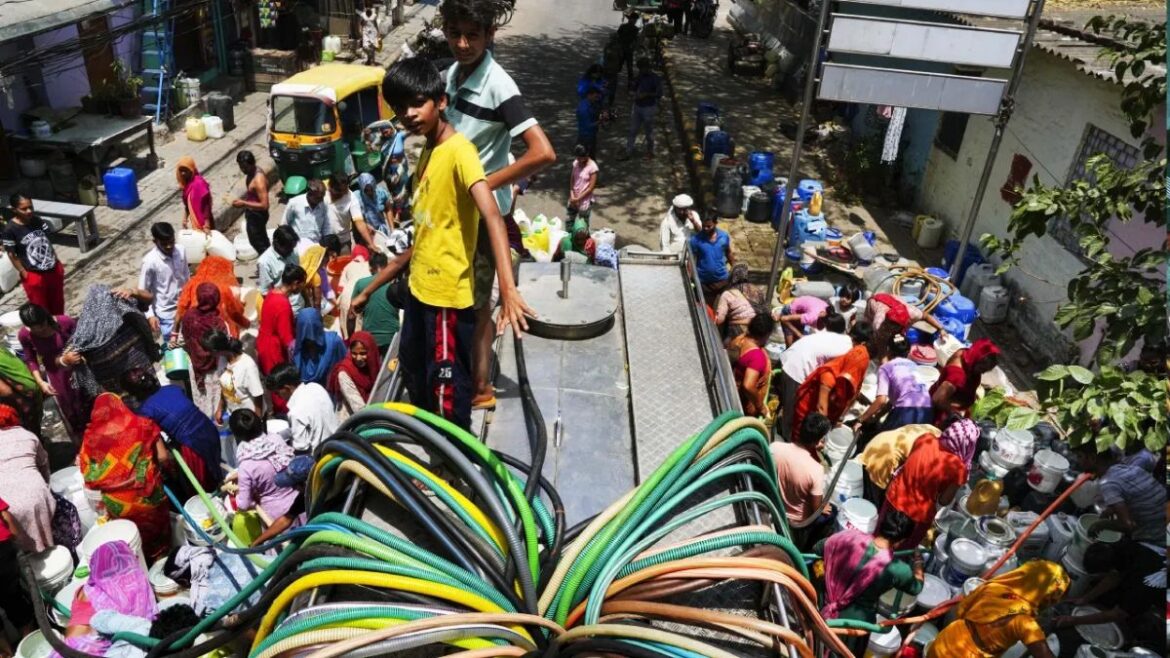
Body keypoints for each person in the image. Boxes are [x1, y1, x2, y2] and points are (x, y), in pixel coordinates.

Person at [380, 56, 534, 430]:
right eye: (402, 108)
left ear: (442, 102)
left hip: (447, 298)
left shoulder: (460, 151)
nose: (410, 114)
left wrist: (508, 288)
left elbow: (492, 216)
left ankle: (454, 466)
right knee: (415, 370)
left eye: (418, 103)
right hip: (421, 291)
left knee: (450, 392)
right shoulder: (428, 151)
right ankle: (431, 438)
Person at [439, 0, 556, 413]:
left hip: (484, 212)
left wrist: (485, 183)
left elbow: (542, 151)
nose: (463, 43)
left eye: (472, 34)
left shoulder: (498, 85)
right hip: (454, 212)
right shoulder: (453, 75)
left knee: (478, 302)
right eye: (455, 34)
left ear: (490, 34)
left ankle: (482, 385)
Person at [816, 509, 925, 656]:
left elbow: (819, 547)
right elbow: (916, 587)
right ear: (901, 541)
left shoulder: (849, 537)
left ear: (880, 525)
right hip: (854, 627)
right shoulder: (898, 569)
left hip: (820, 606)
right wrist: (918, 563)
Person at [80, 393, 171, 559]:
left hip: (117, 503)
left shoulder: (90, 439)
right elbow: (163, 457)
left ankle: (140, 565)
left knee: (131, 538)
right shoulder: (143, 425)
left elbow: (88, 474)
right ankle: (163, 560)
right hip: (147, 495)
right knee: (157, 532)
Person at [927, 561, 1068, 658]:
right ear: (1046, 595)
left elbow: (962, 610)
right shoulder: (1024, 622)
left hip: (947, 640)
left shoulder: (995, 587)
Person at [121, 368, 223, 497]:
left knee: (203, 488)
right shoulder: (173, 389)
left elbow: (162, 456)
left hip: (192, 445)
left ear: (133, 393)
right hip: (209, 429)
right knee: (215, 470)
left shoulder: (145, 412)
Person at [882, 418, 979, 549]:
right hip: (918, 515)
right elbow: (944, 500)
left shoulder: (926, 439)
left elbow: (910, 463)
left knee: (880, 537)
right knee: (901, 550)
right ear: (969, 445)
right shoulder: (959, 468)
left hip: (894, 495)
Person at [1052, 540, 1163, 647]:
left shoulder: (1143, 584)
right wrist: (1085, 599)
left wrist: (1074, 620)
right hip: (1155, 563)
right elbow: (1114, 576)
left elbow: (1118, 614)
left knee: (1146, 628)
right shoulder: (1122, 547)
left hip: (1160, 585)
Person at [66, 285, 161, 399]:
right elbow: (63, 359)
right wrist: (65, 359)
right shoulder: (86, 331)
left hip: (145, 376)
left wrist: (133, 291)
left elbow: (149, 298)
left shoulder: (122, 309)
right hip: (120, 391)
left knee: (158, 401)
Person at [777, 313, 851, 440]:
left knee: (789, 403)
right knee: (792, 408)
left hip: (789, 358)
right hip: (796, 369)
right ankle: (787, 439)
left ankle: (788, 430)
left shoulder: (839, 338)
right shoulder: (846, 349)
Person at [18, 303, 86, 438]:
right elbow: (31, 360)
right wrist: (41, 382)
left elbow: (85, 343)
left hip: (79, 370)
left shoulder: (64, 323)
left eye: (42, 327)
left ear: (46, 318)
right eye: (34, 329)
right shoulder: (25, 335)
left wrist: (74, 357)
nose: (40, 332)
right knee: (70, 410)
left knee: (88, 403)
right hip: (57, 376)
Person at [790, 322, 871, 436]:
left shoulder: (853, 362)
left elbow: (853, 389)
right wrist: (822, 434)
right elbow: (821, 409)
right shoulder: (829, 376)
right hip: (807, 414)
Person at [1074, 444, 1165, 542]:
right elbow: (1135, 496)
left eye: (1080, 456)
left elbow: (1128, 525)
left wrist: (1100, 525)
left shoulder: (1108, 483)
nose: (1077, 461)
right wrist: (1110, 510)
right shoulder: (1125, 468)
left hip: (1156, 540)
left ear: (1092, 458)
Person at [228, 409, 299, 524]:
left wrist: (251, 499)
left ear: (237, 434)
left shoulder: (246, 465)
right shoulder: (276, 439)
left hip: (276, 517)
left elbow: (244, 504)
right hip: (300, 501)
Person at [0, 404, 54, 552]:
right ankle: (48, 550)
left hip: (5, 503)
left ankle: (28, 560)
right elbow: (44, 464)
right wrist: (47, 483)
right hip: (35, 493)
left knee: (20, 550)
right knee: (46, 535)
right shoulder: (28, 435)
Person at [853, 334, 933, 430]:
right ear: (908, 352)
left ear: (888, 351)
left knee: (882, 439)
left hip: (906, 412)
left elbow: (881, 400)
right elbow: (892, 401)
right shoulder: (913, 365)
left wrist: (861, 420)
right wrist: (876, 417)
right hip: (927, 410)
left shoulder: (886, 368)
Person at [4, 193, 65, 315]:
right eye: (24, 209)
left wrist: (57, 263)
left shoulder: (37, 220)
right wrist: (23, 272)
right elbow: (12, 254)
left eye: (30, 207)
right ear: (14, 209)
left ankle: (61, 329)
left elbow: (47, 242)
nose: (29, 211)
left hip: (53, 270)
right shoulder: (10, 230)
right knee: (41, 310)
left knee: (58, 304)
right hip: (34, 275)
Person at [257, 265, 305, 413]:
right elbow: (287, 339)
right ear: (296, 283)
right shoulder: (283, 304)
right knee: (280, 385)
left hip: (263, 344)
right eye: (302, 284)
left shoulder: (272, 294)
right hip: (274, 350)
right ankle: (284, 415)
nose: (302, 288)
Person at [855, 424, 939, 506]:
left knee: (866, 483)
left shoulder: (935, 431)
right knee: (873, 499)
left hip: (880, 441)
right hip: (885, 458)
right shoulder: (934, 450)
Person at [179, 283, 229, 418]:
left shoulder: (189, 316)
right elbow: (226, 345)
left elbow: (181, 340)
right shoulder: (218, 322)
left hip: (196, 370)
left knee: (203, 403)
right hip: (215, 369)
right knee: (218, 402)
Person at [266, 363, 339, 454]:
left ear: (287, 388)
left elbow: (301, 448)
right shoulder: (316, 387)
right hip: (336, 444)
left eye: (277, 393)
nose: (278, 397)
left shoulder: (296, 411)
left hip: (320, 457)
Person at [770, 413, 829, 525]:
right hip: (797, 522)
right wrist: (822, 507)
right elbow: (816, 509)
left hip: (774, 505)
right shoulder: (816, 470)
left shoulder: (774, 447)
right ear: (818, 441)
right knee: (831, 514)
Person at [138, 222, 191, 344]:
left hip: (185, 306)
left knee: (190, 340)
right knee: (174, 346)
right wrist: (150, 315)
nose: (168, 246)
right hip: (167, 314)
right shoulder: (150, 262)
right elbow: (143, 291)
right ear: (155, 241)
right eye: (164, 243)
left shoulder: (181, 251)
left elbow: (187, 276)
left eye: (171, 242)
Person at [176, 255, 250, 337]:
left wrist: (174, 333)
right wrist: (246, 323)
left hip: (197, 330)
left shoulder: (192, 283)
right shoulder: (226, 288)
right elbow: (235, 312)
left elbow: (182, 308)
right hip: (221, 332)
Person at [930, 338, 999, 424]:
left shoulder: (965, 353)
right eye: (982, 369)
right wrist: (953, 413)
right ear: (977, 360)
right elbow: (937, 399)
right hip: (943, 415)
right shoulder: (956, 376)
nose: (984, 372)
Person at [250, 455, 313, 546]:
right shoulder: (304, 496)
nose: (292, 488)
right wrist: (257, 542)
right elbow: (286, 519)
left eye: (294, 485)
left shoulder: (331, 492)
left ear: (305, 483)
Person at [350, 252, 401, 356]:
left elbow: (351, 315)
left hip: (369, 338)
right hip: (392, 337)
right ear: (386, 267)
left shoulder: (361, 284)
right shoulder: (395, 284)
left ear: (370, 268)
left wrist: (351, 339)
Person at [0, 497, 35, 639]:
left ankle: (5, 652)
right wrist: (17, 540)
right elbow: (6, 516)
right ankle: (29, 643)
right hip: (2, 553)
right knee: (14, 600)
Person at [728, 313, 774, 418]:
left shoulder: (740, 340)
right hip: (743, 404)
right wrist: (761, 407)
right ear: (766, 334)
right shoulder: (757, 357)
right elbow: (748, 386)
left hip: (733, 389)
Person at [328, 331, 381, 420]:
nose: (358, 358)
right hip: (351, 422)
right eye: (354, 353)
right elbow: (360, 409)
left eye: (363, 353)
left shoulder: (373, 367)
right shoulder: (345, 373)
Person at [210, 332, 264, 418]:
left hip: (250, 415)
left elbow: (258, 395)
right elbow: (223, 385)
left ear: (218, 351)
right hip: (233, 413)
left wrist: (257, 419)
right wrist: (220, 408)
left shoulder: (247, 366)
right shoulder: (222, 360)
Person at [292, 307, 347, 387]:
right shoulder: (294, 350)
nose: (311, 338)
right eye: (306, 334)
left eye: (313, 331)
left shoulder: (334, 342)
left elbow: (345, 366)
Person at [621, 58, 663, 160]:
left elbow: (659, 94)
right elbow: (632, 88)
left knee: (649, 132)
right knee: (632, 130)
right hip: (637, 106)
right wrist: (632, 93)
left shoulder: (655, 79)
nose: (641, 71)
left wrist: (647, 94)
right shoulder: (639, 77)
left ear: (647, 68)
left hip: (648, 108)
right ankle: (628, 151)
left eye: (642, 68)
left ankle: (650, 151)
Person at [689, 210, 733, 305]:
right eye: (704, 226)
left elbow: (728, 252)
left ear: (716, 223)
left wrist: (735, 267)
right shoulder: (696, 240)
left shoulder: (724, 237)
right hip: (704, 283)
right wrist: (691, 277)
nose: (705, 228)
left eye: (709, 226)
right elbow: (691, 260)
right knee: (707, 310)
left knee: (724, 308)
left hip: (722, 281)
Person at [232, 150, 270, 255]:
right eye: (241, 167)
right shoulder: (251, 173)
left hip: (258, 215)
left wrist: (244, 203)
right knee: (260, 240)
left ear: (252, 164)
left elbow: (264, 205)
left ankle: (268, 263)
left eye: (245, 167)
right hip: (252, 213)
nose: (243, 170)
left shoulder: (258, 180)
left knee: (259, 243)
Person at [0, 344, 43, 435]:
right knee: (34, 427)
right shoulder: (2, 350)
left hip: (22, 399)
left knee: (26, 431)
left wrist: (19, 401)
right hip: (33, 390)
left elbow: (5, 391)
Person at [325, 173, 375, 251]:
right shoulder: (321, 190)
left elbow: (359, 222)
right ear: (330, 186)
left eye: (345, 191)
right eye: (339, 191)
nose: (342, 194)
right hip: (324, 241)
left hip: (343, 240)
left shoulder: (351, 198)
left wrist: (371, 244)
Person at [715, 264, 762, 341]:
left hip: (738, 329)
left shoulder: (728, 293)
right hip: (757, 326)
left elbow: (720, 319)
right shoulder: (756, 290)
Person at [257, 225, 303, 304]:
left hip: (300, 303)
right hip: (285, 307)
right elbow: (266, 294)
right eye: (288, 248)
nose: (291, 251)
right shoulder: (264, 262)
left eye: (292, 247)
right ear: (277, 244)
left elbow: (300, 279)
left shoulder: (293, 250)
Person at [282, 179, 332, 244]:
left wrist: (326, 241)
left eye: (323, 197)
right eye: (318, 198)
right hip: (297, 245)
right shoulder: (294, 203)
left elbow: (326, 226)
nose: (321, 200)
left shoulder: (324, 205)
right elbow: (284, 225)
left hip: (316, 245)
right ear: (310, 194)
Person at [176, 157, 213, 233]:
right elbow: (188, 205)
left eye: (185, 170)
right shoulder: (187, 185)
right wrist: (185, 218)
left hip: (204, 223)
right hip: (194, 222)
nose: (183, 173)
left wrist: (207, 224)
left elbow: (206, 205)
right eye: (181, 170)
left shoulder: (199, 183)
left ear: (191, 170)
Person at [568, 145, 599, 227]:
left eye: (580, 158)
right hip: (573, 197)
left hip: (584, 200)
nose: (578, 160)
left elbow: (590, 188)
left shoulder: (593, 167)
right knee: (569, 221)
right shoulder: (576, 163)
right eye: (577, 157)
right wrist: (572, 195)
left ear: (586, 156)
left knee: (583, 225)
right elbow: (572, 179)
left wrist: (578, 198)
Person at [356, 172, 395, 238]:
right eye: (366, 190)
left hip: (382, 230)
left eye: (371, 189)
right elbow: (356, 220)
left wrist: (392, 230)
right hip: (366, 234)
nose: (369, 192)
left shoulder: (381, 193)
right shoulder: (356, 198)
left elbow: (388, 209)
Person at [576, 87, 602, 159]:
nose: (597, 98)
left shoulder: (589, 103)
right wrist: (601, 121)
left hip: (590, 134)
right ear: (589, 95)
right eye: (595, 96)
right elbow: (588, 126)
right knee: (588, 156)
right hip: (586, 136)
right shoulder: (584, 109)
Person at [616, 12, 640, 87]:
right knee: (621, 67)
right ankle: (614, 81)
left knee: (627, 68)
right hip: (624, 50)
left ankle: (629, 85)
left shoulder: (634, 29)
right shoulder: (626, 27)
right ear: (631, 19)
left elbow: (635, 40)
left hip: (626, 50)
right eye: (634, 19)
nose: (634, 21)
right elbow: (618, 36)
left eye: (635, 20)